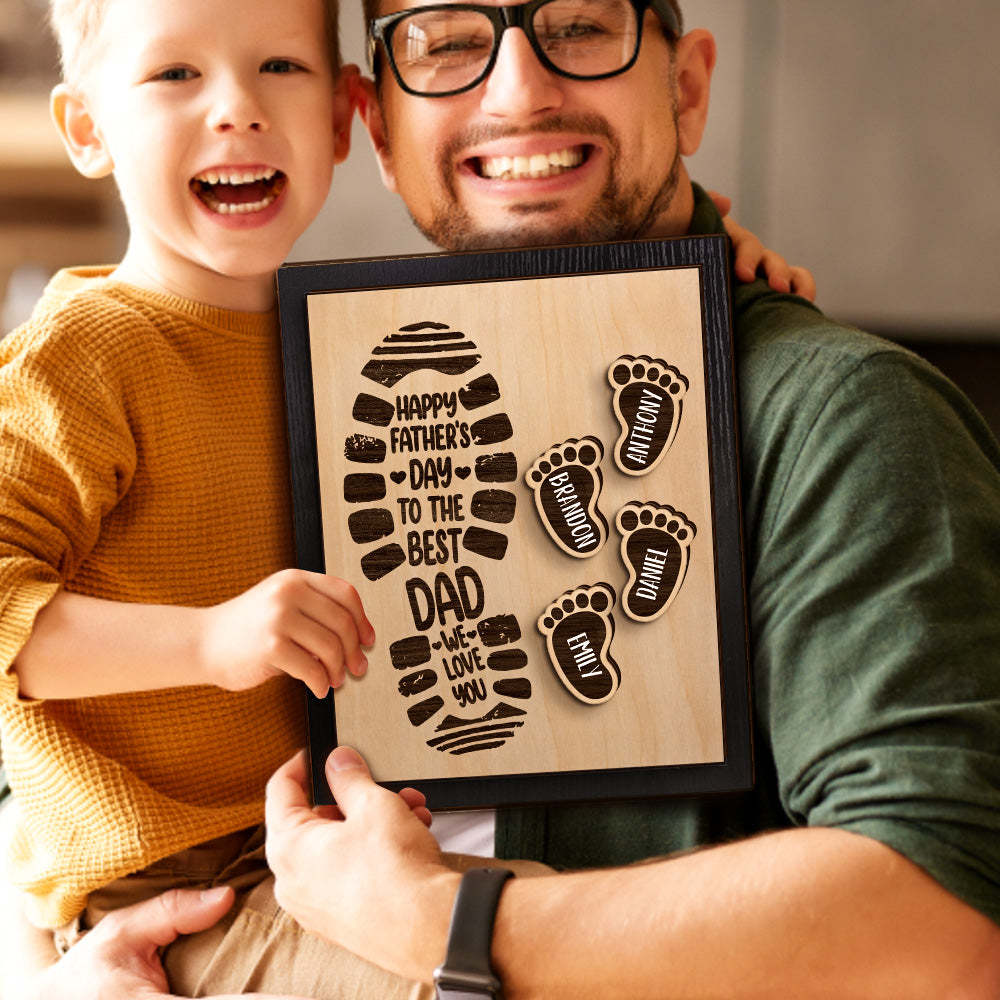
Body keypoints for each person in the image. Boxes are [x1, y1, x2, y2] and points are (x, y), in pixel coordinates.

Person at [0, 0, 806, 996]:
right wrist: (211, 641)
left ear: (346, 117)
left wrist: (708, 258)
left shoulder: (354, 331)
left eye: (280, 69)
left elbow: (580, 288)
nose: (237, 110)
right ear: (86, 128)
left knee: (614, 940)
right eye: (175, 76)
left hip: (322, 849)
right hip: (183, 894)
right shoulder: (80, 356)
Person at [260, 0, 1000, 996]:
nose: (518, 90)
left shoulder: (842, 413)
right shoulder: (306, 399)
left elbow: (944, 919)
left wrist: (446, 922)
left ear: (685, 90)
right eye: (446, 42)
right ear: (380, 128)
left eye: (577, 26)